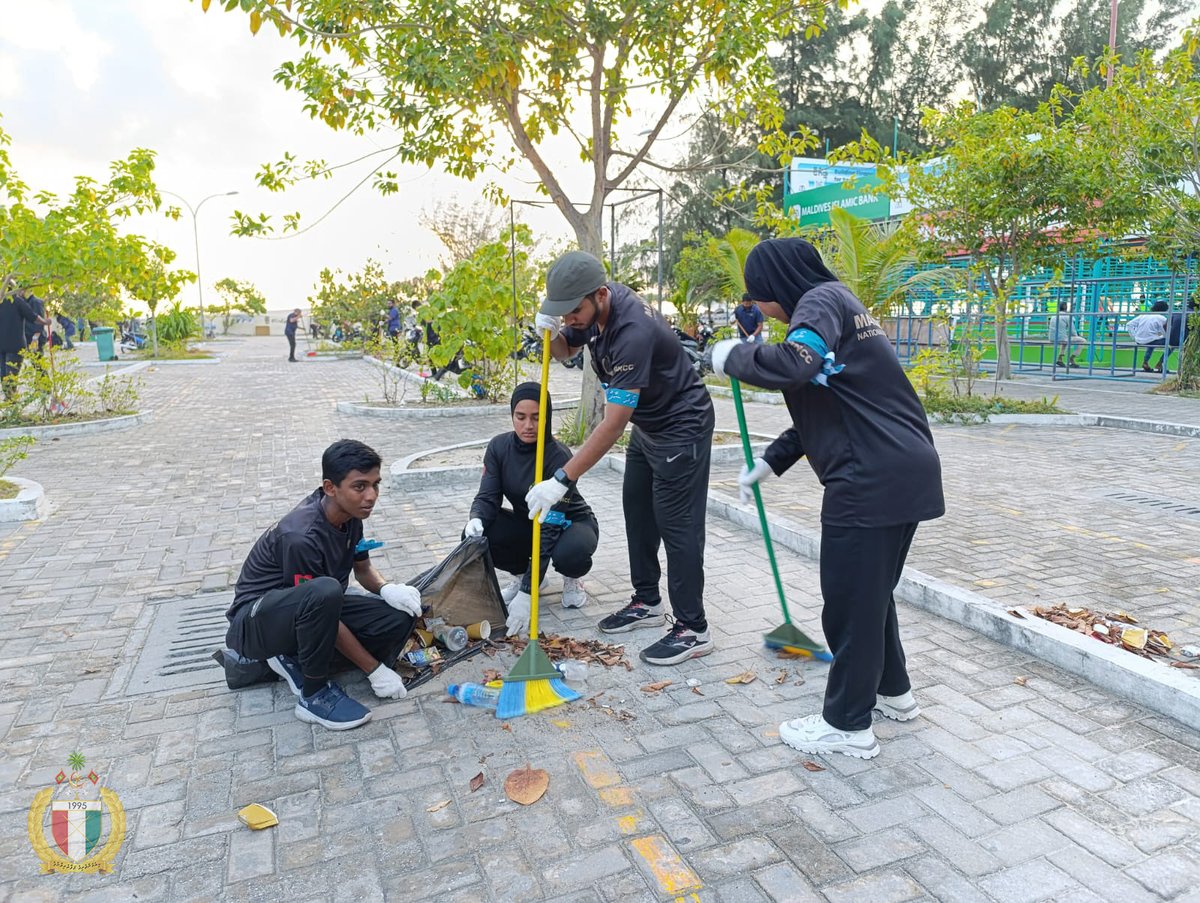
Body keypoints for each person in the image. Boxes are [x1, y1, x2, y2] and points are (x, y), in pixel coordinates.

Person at [710, 237, 944, 760]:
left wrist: (731, 355)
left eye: (757, 296)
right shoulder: (841, 303)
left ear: (776, 286)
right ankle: (893, 693)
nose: (758, 308)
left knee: (847, 603)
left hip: (869, 479)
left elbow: (795, 364)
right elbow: (830, 399)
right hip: (902, 469)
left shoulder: (816, 303)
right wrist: (771, 462)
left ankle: (846, 724)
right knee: (871, 596)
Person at [526, 250, 716, 666]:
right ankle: (646, 601)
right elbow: (564, 352)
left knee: (676, 526)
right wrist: (550, 333)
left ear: (600, 294)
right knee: (638, 512)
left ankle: (693, 628)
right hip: (650, 428)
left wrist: (562, 479)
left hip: (681, 428)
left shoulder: (632, 330)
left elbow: (612, 424)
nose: (571, 319)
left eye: (574, 311)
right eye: (565, 313)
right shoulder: (590, 314)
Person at [225, 440, 424, 730]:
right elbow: (318, 604)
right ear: (330, 487)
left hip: (310, 606)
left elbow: (363, 569)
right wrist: (374, 670)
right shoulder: (301, 536)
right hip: (255, 625)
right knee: (326, 590)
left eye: (375, 485)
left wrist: (386, 588)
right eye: (360, 486)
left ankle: (297, 655)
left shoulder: (351, 516)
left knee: (396, 618)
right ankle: (313, 694)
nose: (371, 496)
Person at [463, 382, 599, 633]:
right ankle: (525, 575)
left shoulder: (559, 456)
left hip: (570, 525)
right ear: (512, 415)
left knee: (570, 553)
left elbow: (549, 528)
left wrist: (527, 595)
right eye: (521, 417)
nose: (528, 425)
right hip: (528, 523)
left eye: (537, 417)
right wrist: (476, 517)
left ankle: (572, 579)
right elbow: (488, 496)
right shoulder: (498, 447)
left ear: (547, 418)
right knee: (477, 535)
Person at [1, 290, 46, 398]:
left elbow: (35, 320)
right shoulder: (18, 302)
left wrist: (36, 338)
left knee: (37, 363)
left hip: (31, 338)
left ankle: (44, 385)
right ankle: (11, 398)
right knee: (5, 374)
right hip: (16, 341)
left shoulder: (33, 302)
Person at [1144, 300, 1194, 374]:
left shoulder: (1176, 312)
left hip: (1167, 338)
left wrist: (1166, 335)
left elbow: (1165, 326)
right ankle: (1161, 363)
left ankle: (1146, 361)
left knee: (1162, 343)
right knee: (1175, 345)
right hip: (1184, 340)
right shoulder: (1194, 315)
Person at [1126, 301, 1169, 373]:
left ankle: (1145, 362)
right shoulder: (1161, 318)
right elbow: (1165, 333)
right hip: (1151, 340)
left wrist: (1134, 337)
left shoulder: (1143, 315)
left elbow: (1129, 324)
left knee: (1152, 341)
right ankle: (1160, 363)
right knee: (1172, 344)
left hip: (1139, 340)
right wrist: (1164, 337)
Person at [1049, 301, 1085, 367]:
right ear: (1066, 308)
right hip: (1061, 338)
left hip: (1051, 338)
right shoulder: (1067, 316)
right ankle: (1072, 358)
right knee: (1082, 340)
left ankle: (1060, 359)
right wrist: (1076, 336)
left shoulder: (1053, 316)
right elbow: (1072, 330)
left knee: (1065, 340)